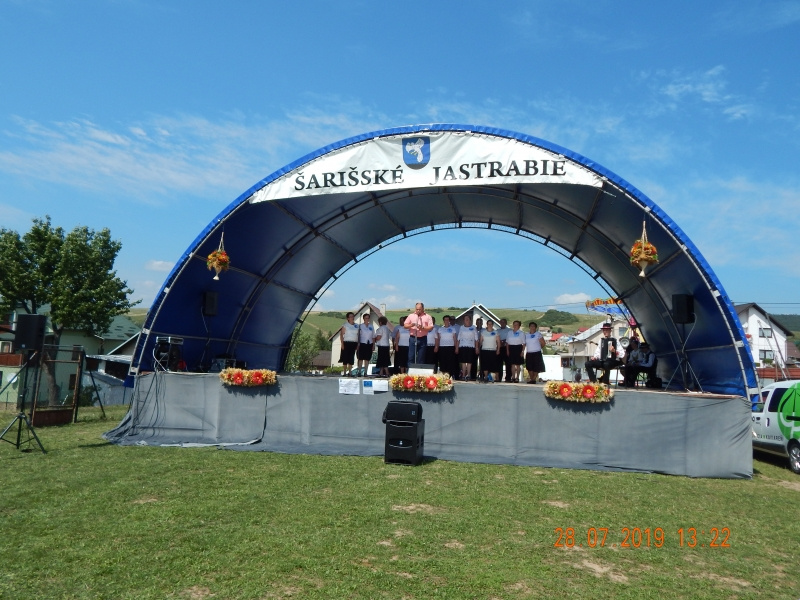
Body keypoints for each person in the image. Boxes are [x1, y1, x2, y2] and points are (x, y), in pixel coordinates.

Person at [455, 314, 478, 381]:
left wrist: (476, 348)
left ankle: (468, 375)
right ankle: (463, 375)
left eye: (468, 319)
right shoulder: (461, 327)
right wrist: (457, 347)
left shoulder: (473, 328)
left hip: (471, 346)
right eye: (465, 319)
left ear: (470, 320)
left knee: (469, 361)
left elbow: (476, 339)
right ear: (464, 320)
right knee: (463, 361)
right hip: (462, 346)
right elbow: (458, 338)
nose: (467, 320)